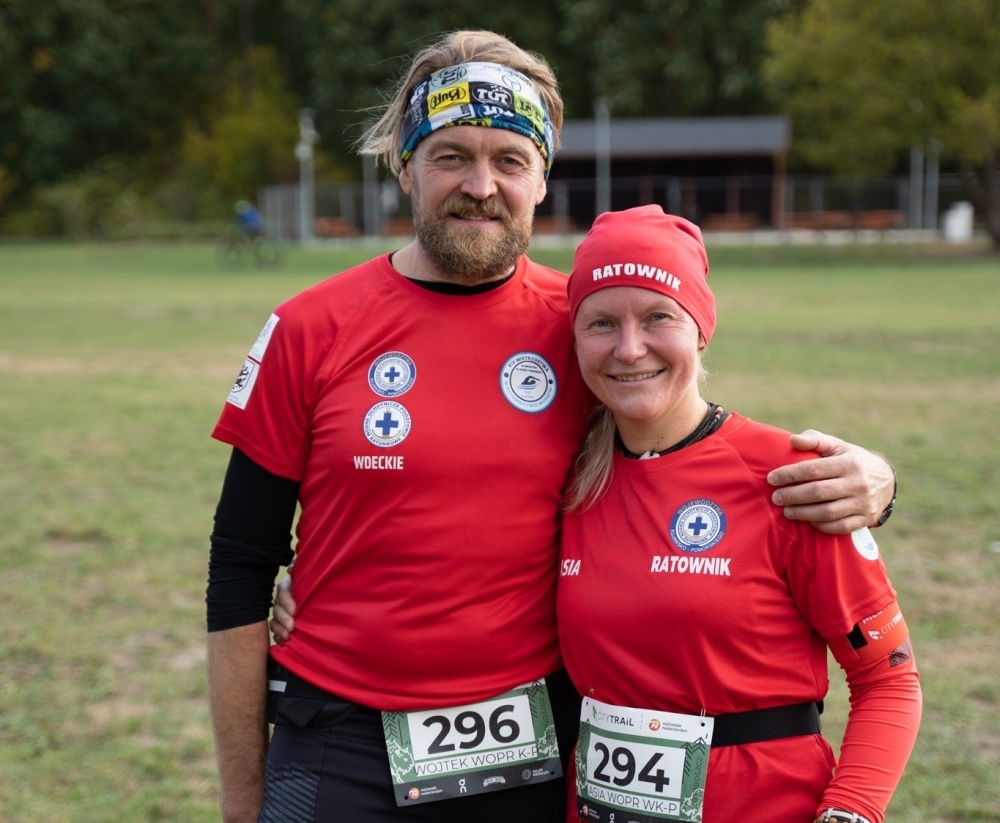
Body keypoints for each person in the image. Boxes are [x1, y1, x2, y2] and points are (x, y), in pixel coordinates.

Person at [208, 30, 897, 823]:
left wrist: (875, 483)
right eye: (450, 156)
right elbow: (239, 568)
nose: (480, 184)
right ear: (404, 167)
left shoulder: (586, 326)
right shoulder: (309, 327)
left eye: (509, 159)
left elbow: (696, 447)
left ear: (541, 177)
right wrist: (242, 796)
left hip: (534, 748)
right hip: (337, 737)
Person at [557, 206, 921, 823]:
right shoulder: (569, 478)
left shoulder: (790, 478)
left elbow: (888, 679)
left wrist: (851, 813)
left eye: (657, 317)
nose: (629, 348)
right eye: (600, 323)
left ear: (700, 327)